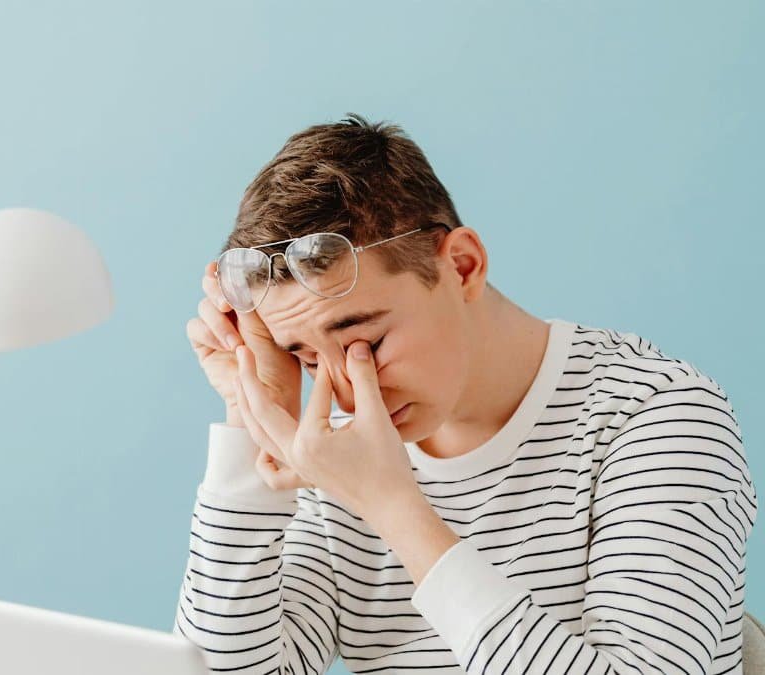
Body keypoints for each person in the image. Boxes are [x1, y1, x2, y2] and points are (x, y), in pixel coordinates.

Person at [177, 114, 756, 675]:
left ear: (462, 265)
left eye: (366, 344)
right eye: (303, 357)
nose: (349, 397)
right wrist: (255, 417)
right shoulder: (333, 453)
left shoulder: (657, 418)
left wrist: (394, 508)